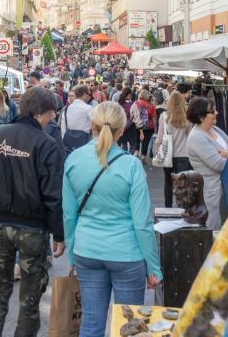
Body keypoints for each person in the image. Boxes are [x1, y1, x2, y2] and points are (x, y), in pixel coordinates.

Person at [0, 86, 65, 337]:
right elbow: (53, 195)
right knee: (30, 300)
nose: (54, 117)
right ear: (40, 113)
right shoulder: (47, 144)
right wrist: (59, 234)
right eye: (52, 113)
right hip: (33, 228)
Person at [62, 102, 163, 337]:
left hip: (87, 249)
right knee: (130, 327)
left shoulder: (74, 160)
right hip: (126, 253)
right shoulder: (131, 165)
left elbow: (69, 214)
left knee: (91, 323)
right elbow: (142, 223)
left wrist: (72, 253)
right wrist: (153, 266)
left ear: (92, 126)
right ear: (122, 130)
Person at [186, 96, 228, 230]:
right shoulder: (197, 137)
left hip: (225, 190)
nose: (216, 113)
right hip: (213, 194)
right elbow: (218, 165)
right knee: (215, 231)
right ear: (201, 117)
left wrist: (227, 153)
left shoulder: (214, 129)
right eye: (212, 111)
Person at [154, 91, 194, 207]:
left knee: (168, 182)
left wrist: (157, 150)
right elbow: (190, 137)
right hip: (184, 155)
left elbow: (160, 136)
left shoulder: (164, 116)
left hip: (168, 155)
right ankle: (183, 207)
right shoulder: (187, 117)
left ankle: (168, 207)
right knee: (183, 185)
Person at [61, 85, 95, 153]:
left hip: (68, 139)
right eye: (89, 94)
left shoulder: (67, 108)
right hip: (83, 140)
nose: (90, 97)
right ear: (84, 94)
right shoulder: (88, 108)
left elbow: (63, 126)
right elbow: (95, 124)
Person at [132, 90, 158, 159]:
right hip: (148, 127)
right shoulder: (151, 106)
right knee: (146, 142)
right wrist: (155, 127)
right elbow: (154, 118)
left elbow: (131, 114)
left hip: (137, 125)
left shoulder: (135, 103)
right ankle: (143, 156)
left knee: (136, 140)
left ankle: (136, 152)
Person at [118, 88, 138, 153]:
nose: (131, 96)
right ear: (127, 95)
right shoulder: (133, 104)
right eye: (130, 94)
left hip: (123, 126)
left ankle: (125, 158)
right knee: (132, 145)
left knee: (124, 145)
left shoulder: (120, 104)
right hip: (130, 126)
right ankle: (129, 157)